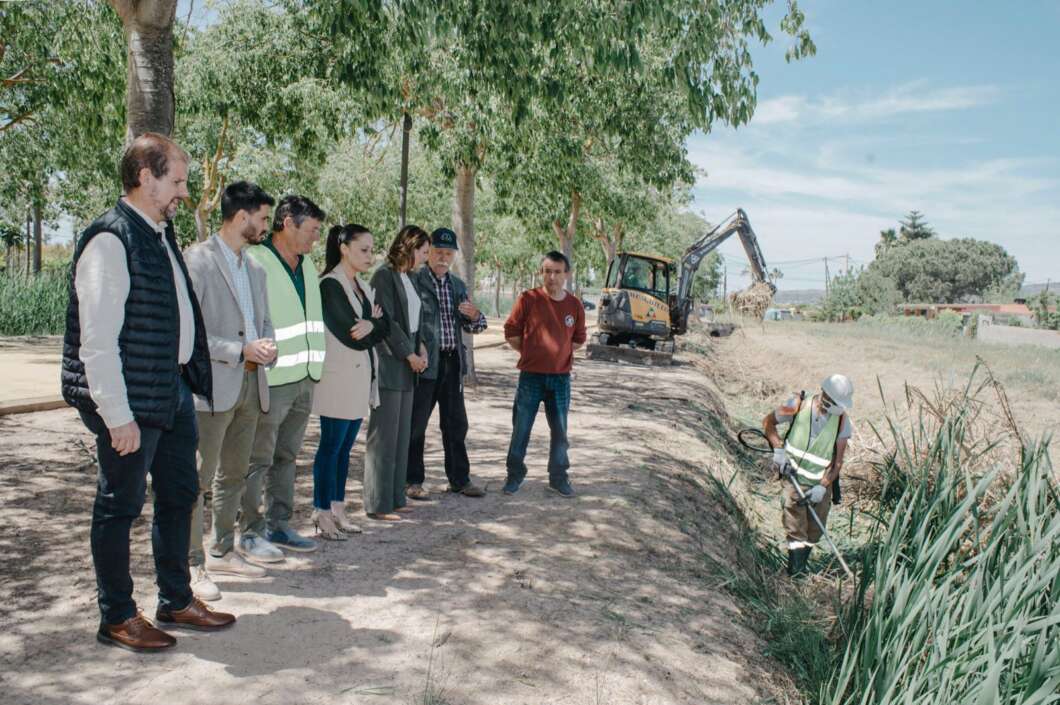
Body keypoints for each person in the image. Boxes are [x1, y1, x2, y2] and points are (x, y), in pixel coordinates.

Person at [61, 132, 235, 652]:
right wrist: (117, 416)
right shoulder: (111, 239)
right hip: (131, 401)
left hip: (170, 392)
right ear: (145, 177)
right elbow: (97, 342)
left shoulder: (159, 233)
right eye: (176, 181)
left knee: (180, 494)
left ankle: (175, 599)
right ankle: (117, 616)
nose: (184, 192)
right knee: (120, 505)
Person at [184, 181, 277, 601]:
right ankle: (191, 565)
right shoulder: (197, 261)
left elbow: (264, 322)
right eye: (263, 218)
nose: (266, 226)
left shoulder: (256, 269)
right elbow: (190, 334)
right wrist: (239, 350)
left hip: (252, 384)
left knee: (234, 473)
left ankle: (222, 549)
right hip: (211, 388)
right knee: (197, 480)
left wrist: (268, 347)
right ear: (242, 217)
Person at [244, 195, 327, 554]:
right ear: (288, 223)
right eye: (312, 230)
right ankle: (250, 531)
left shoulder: (307, 265)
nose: (316, 238)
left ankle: (278, 526)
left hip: (304, 379)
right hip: (270, 380)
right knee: (257, 458)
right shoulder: (255, 259)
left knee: (287, 457)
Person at [311, 224, 390, 539]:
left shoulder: (362, 286)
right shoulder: (330, 286)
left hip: (360, 379)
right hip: (338, 378)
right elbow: (351, 335)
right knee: (330, 447)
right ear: (344, 249)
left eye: (372, 250)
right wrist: (373, 324)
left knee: (344, 450)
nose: (370, 256)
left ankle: (338, 509)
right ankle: (321, 511)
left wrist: (371, 324)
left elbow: (385, 325)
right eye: (364, 250)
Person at [406, 227, 488, 500]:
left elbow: (476, 326)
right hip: (425, 364)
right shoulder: (414, 281)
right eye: (438, 252)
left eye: (448, 253)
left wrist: (475, 315)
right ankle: (412, 480)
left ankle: (460, 480)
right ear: (428, 252)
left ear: (454, 256)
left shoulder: (458, 285)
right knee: (416, 424)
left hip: (452, 364)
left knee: (456, 424)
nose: (443, 258)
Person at [502, 251, 587, 498]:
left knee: (560, 432)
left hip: (560, 379)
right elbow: (511, 333)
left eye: (557, 272)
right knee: (521, 429)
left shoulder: (574, 305)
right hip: (530, 377)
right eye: (547, 271)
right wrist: (531, 351)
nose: (552, 277)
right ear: (541, 273)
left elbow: (578, 340)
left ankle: (558, 478)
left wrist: (558, 353)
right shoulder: (528, 299)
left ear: (566, 274)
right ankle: (514, 475)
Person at [364, 225, 430, 521]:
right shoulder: (383, 276)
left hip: (409, 364)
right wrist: (409, 354)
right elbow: (387, 322)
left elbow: (416, 320)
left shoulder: (411, 278)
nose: (426, 258)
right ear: (410, 247)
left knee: (402, 437)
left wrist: (422, 348)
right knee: (384, 437)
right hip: (390, 363)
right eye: (424, 252)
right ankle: (378, 503)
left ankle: (395, 498)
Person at [762, 374, 854, 577]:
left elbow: (837, 462)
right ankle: (796, 574)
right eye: (837, 403)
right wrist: (778, 450)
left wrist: (823, 486)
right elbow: (768, 422)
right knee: (796, 528)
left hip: (820, 483)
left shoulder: (842, 421)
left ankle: (801, 566)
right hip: (793, 478)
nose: (840, 408)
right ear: (826, 395)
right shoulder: (798, 404)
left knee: (814, 532)